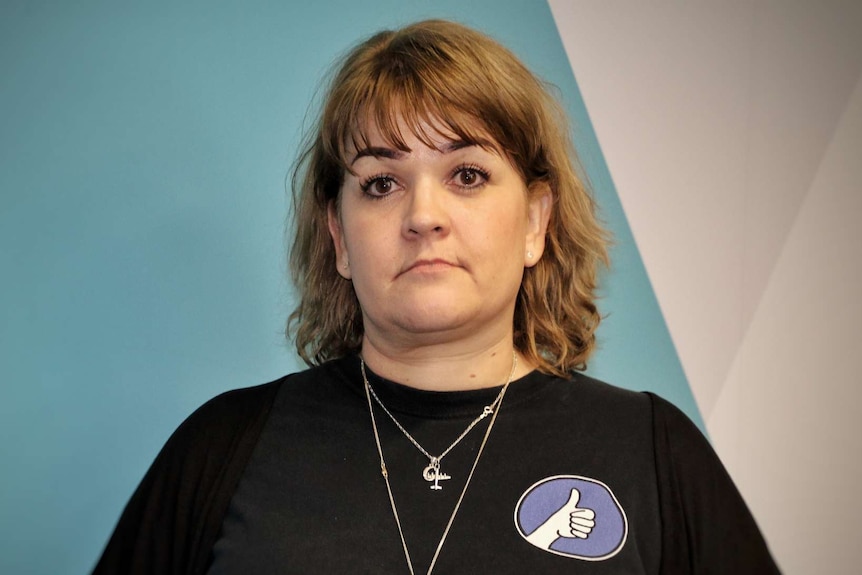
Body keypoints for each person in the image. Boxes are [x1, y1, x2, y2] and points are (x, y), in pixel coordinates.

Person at [93, 19, 779, 575]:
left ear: (536, 222)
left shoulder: (653, 453)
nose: (423, 215)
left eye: (468, 174)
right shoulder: (222, 449)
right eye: (381, 182)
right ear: (338, 235)